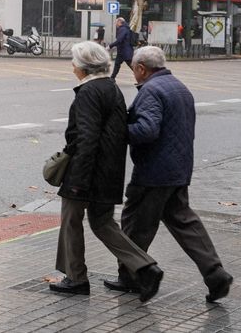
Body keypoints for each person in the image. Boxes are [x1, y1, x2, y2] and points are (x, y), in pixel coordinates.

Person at [103, 46, 233, 302]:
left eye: (134, 70)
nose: (134, 75)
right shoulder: (178, 87)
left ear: (142, 68)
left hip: (154, 173)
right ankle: (215, 274)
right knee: (185, 223)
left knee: (135, 223)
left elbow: (147, 129)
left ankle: (132, 276)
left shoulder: (151, 90)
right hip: (179, 168)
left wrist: (118, 133)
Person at [51, 41, 164, 301]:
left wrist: (77, 181)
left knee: (71, 220)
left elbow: (87, 138)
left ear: (83, 67)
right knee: (102, 223)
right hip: (110, 169)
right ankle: (145, 267)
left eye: (74, 62)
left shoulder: (89, 92)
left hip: (87, 171)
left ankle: (76, 278)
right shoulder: (111, 88)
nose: (72, 66)